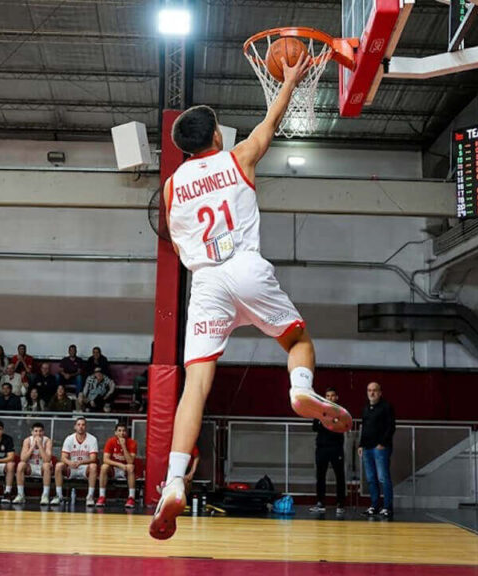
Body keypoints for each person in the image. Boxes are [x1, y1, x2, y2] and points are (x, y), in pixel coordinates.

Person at [150, 56, 352, 540]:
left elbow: (176, 248)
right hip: (246, 267)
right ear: (216, 137)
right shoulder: (238, 157)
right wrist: (287, 81)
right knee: (298, 340)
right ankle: (300, 387)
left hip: (205, 283)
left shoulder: (171, 188)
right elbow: (271, 122)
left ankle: (174, 479)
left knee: (194, 385)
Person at [359, 382, 395, 519]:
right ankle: (374, 505)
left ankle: (387, 507)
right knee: (371, 478)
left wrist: (382, 443)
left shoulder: (386, 407)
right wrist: (361, 445)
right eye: (369, 390)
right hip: (367, 448)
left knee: (383, 478)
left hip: (380, 448)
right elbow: (365, 427)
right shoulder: (366, 408)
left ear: (380, 392)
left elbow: (391, 427)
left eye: (374, 390)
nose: (371, 393)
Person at [311, 387, 346, 516]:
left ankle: (340, 504)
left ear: (336, 397)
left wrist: (332, 424)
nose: (330, 398)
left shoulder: (341, 412)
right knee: (320, 476)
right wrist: (324, 422)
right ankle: (320, 503)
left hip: (336, 448)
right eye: (328, 396)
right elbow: (315, 427)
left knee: (339, 476)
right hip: (321, 448)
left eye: (332, 396)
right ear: (325, 397)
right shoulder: (320, 411)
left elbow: (342, 427)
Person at [52, 417, 98, 507]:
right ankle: (58, 495)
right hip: (71, 467)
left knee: (93, 466)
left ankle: (90, 496)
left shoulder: (92, 439)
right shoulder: (69, 439)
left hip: (85, 467)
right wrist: (69, 463)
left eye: (83, 425)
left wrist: (81, 462)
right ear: (75, 427)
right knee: (58, 466)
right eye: (79, 425)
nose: (81, 427)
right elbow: (63, 457)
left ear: (86, 427)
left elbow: (93, 458)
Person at [98, 423, 137, 508]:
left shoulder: (132, 443)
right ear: (115, 432)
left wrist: (123, 446)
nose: (121, 433)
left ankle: (131, 497)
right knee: (104, 467)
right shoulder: (110, 441)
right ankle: (102, 496)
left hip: (126, 469)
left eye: (124, 431)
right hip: (114, 468)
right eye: (119, 430)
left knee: (131, 467)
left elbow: (130, 461)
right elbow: (105, 459)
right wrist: (119, 465)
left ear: (126, 433)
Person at [14, 422, 53, 506]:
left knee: (47, 465)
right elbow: (23, 458)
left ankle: (45, 495)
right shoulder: (27, 440)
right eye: (36, 431)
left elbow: (47, 459)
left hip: (43, 467)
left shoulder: (47, 441)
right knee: (20, 465)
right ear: (32, 432)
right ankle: (20, 495)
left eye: (40, 431)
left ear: (43, 432)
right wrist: (32, 447)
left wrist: (40, 445)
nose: (38, 433)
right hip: (30, 467)